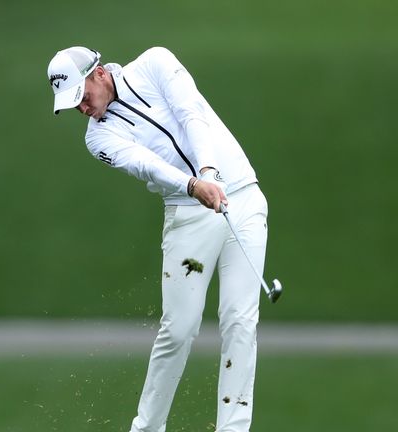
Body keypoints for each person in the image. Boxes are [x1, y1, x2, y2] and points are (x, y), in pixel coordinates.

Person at [47, 46, 269, 432]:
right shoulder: (98, 139)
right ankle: (147, 428)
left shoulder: (155, 63)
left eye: (82, 97)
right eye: (73, 106)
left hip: (243, 195)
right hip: (188, 214)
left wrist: (209, 171)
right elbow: (145, 163)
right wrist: (193, 184)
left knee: (240, 320)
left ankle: (234, 428)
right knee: (180, 328)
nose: (82, 109)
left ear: (98, 73)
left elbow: (191, 113)